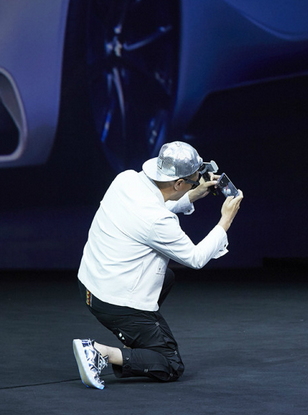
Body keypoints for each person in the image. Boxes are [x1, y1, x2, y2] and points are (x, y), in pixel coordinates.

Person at [73, 141, 244, 389]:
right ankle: (98, 352)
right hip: (113, 302)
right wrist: (225, 220)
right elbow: (195, 259)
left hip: (89, 285)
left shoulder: (126, 179)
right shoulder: (158, 221)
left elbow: (150, 210)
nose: (196, 183)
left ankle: (135, 344)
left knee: (166, 277)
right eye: (194, 181)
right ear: (177, 184)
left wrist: (193, 194)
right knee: (170, 364)